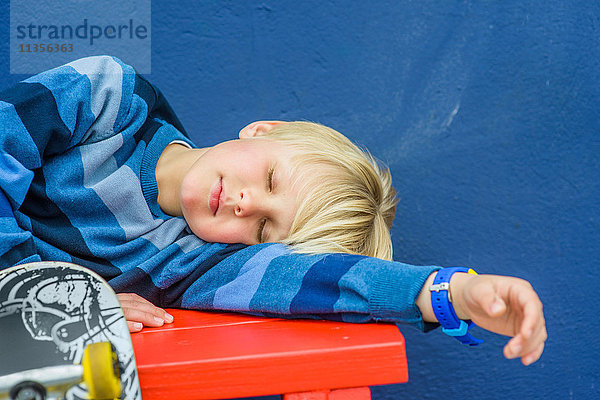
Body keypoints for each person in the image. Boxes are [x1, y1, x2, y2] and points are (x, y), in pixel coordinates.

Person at [0, 55, 546, 366]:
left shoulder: (198, 261)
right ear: (265, 129)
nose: (245, 204)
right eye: (269, 179)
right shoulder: (109, 98)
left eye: (263, 227)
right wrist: (47, 292)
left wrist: (448, 292)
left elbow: (316, 281)